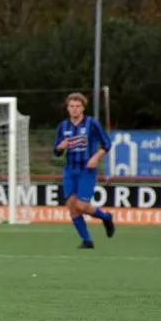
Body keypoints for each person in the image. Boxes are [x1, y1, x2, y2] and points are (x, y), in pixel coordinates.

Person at [53, 92, 115, 248]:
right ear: (67, 108)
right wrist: (60, 147)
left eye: (77, 107)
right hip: (69, 170)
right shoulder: (63, 126)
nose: (74, 109)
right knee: (71, 205)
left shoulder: (92, 124)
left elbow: (106, 144)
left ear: (83, 108)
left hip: (86, 170)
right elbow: (56, 151)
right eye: (71, 106)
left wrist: (96, 157)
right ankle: (87, 240)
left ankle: (106, 217)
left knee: (81, 205)